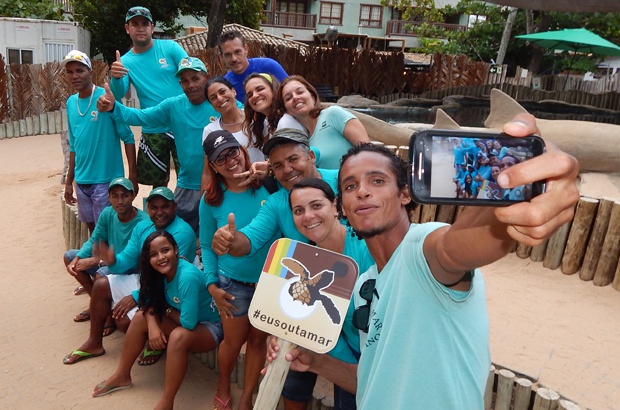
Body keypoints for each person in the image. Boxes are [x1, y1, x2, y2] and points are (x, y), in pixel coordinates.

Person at [267, 114, 580, 409]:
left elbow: (458, 246)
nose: (362, 191)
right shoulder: (366, 283)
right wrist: (315, 361)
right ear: (343, 208)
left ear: (405, 194)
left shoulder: (422, 249)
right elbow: (372, 379)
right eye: (350, 186)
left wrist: (513, 184)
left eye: (377, 181)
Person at [98, 57, 238, 233]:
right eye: (185, 81)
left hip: (221, 184)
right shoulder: (173, 105)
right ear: (180, 84)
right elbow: (141, 117)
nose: (191, 85)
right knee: (175, 236)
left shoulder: (221, 103)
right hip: (186, 185)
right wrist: (113, 107)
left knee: (218, 235)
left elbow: (244, 119)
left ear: (206, 77)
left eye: (195, 78)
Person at [62, 187, 196, 365]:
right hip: (147, 279)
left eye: (165, 206)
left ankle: (158, 343)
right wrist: (112, 260)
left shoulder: (182, 233)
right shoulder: (143, 226)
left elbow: (168, 277)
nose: (159, 212)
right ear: (148, 208)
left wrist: (135, 296)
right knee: (101, 284)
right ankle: (94, 343)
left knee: (124, 322)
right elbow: (127, 257)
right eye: (154, 207)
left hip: (172, 288)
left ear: (174, 207)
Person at [92, 230, 222, 410]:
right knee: (140, 318)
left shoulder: (187, 277)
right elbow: (147, 297)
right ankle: (122, 375)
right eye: (154, 254)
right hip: (183, 316)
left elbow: (188, 324)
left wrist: (164, 310)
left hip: (209, 326)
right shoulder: (158, 272)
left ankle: (167, 403)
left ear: (175, 250)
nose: (161, 257)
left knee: (178, 336)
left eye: (165, 250)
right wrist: (152, 323)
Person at [200, 131, 278, 410]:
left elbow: (300, 175)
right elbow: (208, 247)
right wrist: (212, 285)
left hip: (269, 282)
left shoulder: (267, 186)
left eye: (232, 151)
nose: (229, 160)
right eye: (220, 158)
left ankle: (246, 398)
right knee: (232, 343)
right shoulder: (210, 200)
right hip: (233, 285)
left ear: (243, 150)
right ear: (212, 165)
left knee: (258, 341)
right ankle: (223, 383)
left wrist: (269, 169)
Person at [286, 178, 374, 410]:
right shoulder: (304, 261)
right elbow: (324, 329)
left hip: (384, 354)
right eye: (298, 210)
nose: (307, 216)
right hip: (346, 353)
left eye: (316, 206)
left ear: (336, 207)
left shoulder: (369, 246)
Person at [211, 127, 338, 259]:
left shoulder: (342, 182)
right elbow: (250, 239)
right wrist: (230, 241)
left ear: (311, 156)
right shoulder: (276, 203)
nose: (287, 169)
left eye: (293, 159)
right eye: (278, 166)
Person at [109, 6, 188, 189]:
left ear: (152, 27)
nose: (140, 28)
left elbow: (190, 71)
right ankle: (159, 217)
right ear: (127, 28)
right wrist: (116, 77)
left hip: (182, 122)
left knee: (189, 177)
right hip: (153, 127)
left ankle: (190, 216)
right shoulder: (126, 61)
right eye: (135, 24)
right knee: (157, 184)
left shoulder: (170, 48)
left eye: (145, 23)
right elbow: (120, 93)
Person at [62, 49, 137, 232]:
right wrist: (69, 182)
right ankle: (99, 260)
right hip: (82, 180)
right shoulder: (71, 103)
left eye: (80, 70)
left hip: (106, 181)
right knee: (92, 230)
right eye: (70, 72)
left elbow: (128, 137)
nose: (75, 76)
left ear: (90, 72)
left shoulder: (106, 97)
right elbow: (74, 146)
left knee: (108, 230)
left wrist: (133, 176)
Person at [64, 177, 149, 325]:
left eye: (124, 195)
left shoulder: (143, 222)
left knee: (100, 274)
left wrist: (97, 261)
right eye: (115, 196)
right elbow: (95, 239)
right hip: (108, 261)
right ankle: (97, 304)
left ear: (133, 195)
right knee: (69, 257)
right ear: (109, 198)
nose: (120, 201)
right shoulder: (108, 214)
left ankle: (106, 315)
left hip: (129, 267)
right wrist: (78, 258)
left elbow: (133, 258)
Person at [277, 75, 369, 169]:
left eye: (300, 92)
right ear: (286, 110)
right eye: (288, 98)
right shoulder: (299, 139)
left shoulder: (334, 114)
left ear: (312, 97)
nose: (295, 97)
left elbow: (368, 152)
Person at [202, 76, 264, 164]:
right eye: (213, 98)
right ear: (211, 104)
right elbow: (208, 169)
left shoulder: (256, 118)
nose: (219, 98)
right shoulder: (210, 131)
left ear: (233, 91)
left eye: (222, 92)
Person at [218, 30, 288, 103]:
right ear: (221, 57)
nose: (234, 59)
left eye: (237, 52)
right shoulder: (226, 85)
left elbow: (289, 90)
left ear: (246, 49)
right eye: (228, 55)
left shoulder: (268, 66)